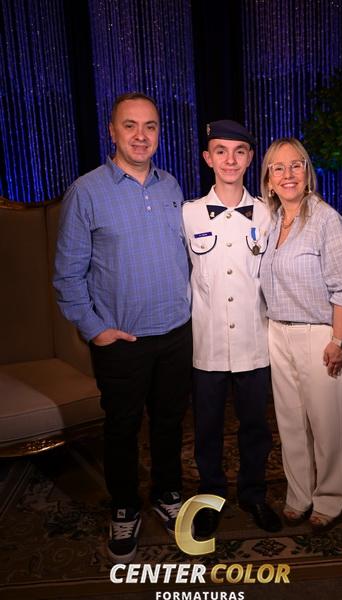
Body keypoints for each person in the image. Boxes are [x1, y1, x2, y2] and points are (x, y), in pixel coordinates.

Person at [53, 92, 192, 562]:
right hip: (121, 340)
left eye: (150, 126)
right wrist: (95, 330)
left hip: (175, 332)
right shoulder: (86, 192)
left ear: (159, 133)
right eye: (129, 125)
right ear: (111, 131)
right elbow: (67, 275)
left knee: (170, 423)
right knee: (122, 429)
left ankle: (167, 493)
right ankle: (125, 506)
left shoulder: (172, 186)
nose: (140, 135)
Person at [259, 137, 342, 530]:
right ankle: (299, 495)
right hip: (279, 333)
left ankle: (329, 500)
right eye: (278, 168)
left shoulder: (326, 220)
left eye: (296, 165)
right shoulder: (272, 223)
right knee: (290, 424)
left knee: (328, 427)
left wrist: (340, 341)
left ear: (308, 173)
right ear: (269, 180)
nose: (287, 174)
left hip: (321, 336)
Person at [183, 120, 282, 538]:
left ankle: (254, 494)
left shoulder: (269, 213)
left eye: (239, 151)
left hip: (254, 342)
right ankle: (210, 497)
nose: (230, 159)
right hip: (206, 344)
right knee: (206, 429)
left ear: (250, 158)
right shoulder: (187, 213)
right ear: (208, 158)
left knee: (255, 427)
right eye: (220, 151)